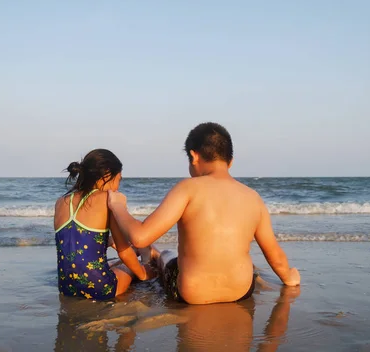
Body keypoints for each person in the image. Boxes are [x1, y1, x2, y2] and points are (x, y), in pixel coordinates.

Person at [108, 122, 301, 305]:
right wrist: (289, 277)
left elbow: (140, 237)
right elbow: (273, 253)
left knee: (167, 256)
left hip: (192, 295)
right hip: (241, 292)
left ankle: (156, 254)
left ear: (194, 156)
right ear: (230, 162)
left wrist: (118, 206)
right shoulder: (253, 197)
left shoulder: (188, 188)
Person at [54, 149, 156, 300]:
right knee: (127, 267)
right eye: (119, 180)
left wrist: (108, 242)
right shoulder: (108, 198)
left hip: (66, 287)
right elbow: (124, 251)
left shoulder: (61, 202)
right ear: (107, 174)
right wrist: (143, 273)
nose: (117, 187)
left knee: (112, 264)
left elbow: (76, 238)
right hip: (100, 288)